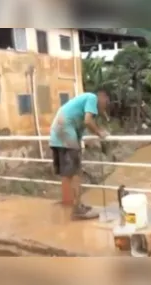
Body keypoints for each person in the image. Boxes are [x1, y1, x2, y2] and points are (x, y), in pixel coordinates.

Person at [49, 88, 110, 220]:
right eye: (105, 104)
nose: (102, 109)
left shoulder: (80, 106)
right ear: (102, 98)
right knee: (76, 173)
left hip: (56, 135)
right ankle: (78, 209)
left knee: (67, 174)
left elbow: (80, 130)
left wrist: (81, 146)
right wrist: (100, 133)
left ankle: (68, 204)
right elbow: (88, 121)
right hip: (66, 131)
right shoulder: (92, 98)